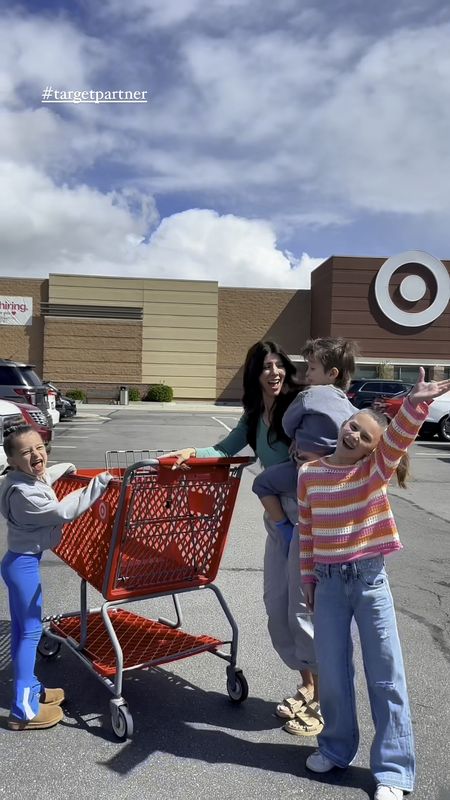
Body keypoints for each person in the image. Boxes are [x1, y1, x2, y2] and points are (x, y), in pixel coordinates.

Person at [298, 368, 450, 799]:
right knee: (333, 670)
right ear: (345, 422)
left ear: (372, 450)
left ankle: (394, 772)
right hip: (326, 584)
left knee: (385, 675)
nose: (354, 437)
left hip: (368, 580)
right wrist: (307, 579)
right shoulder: (309, 473)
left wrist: (415, 405)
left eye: (365, 438)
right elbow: (306, 531)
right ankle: (336, 747)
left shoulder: (374, 473)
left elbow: (398, 439)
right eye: (353, 427)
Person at [166, 341, 320, 734]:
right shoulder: (253, 416)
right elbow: (222, 448)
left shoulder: (299, 406)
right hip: (277, 517)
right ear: (255, 375)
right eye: (266, 367)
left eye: (278, 365)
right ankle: (306, 684)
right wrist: (190, 452)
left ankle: (320, 700)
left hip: (305, 513)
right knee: (276, 603)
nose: (274, 372)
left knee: (302, 609)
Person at [0, 425, 113, 731]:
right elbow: (63, 512)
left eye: (39, 447)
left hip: (19, 562)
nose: (36, 454)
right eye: (26, 452)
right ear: (11, 460)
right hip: (22, 566)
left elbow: (45, 477)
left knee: (26, 631)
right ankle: (23, 710)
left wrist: (65, 467)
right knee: (29, 635)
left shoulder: (19, 479)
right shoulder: (24, 495)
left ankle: (32, 689)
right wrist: (99, 483)